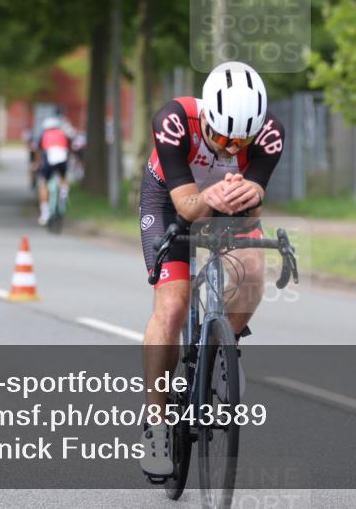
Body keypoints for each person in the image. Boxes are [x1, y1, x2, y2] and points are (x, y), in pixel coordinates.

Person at [137, 61, 285, 477]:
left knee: (254, 268)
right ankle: (157, 422)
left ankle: (225, 344)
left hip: (229, 204)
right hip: (170, 201)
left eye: (241, 142)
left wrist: (250, 190)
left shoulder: (270, 133)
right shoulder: (174, 121)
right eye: (220, 137)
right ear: (206, 119)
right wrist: (213, 195)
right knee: (172, 307)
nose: (229, 149)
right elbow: (186, 207)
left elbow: (255, 198)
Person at [36, 116, 71, 225]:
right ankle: (64, 192)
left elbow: (39, 152)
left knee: (44, 183)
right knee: (63, 177)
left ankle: (45, 212)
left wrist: (37, 164)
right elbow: (69, 148)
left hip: (49, 155)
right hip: (62, 155)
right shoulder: (63, 134)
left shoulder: (44, 135)